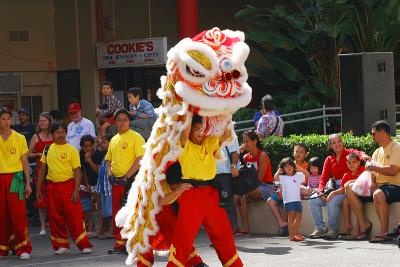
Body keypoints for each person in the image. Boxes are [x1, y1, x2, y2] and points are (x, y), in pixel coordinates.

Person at [167, 114, 243, 267]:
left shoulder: (209, 142)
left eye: (202, 129)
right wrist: (190, 102)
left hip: (211, 193)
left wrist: (227, 114)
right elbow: (186, 130)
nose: (200, 132)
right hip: (192, 193)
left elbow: (227, 135)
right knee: (184, 238)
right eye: (196, 129)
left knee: (224, 234)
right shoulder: (184, 144)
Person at [36, 122, 92, 255]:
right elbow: (42, 170)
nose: (60, 134)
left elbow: (77, 171)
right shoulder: (47, 149)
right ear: (53, 135)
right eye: (57, 132)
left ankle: (83, 244)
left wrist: (76, 190)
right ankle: (61, 245)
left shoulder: (72, 150)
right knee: (55, 217)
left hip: (68, 185)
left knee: (75, 216)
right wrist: (38, 189)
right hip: (52, 187)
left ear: (66, 133)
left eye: (62, 132)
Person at [138, 162, 207, 267]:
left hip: (166, 203)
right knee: (146, 239)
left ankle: (195, 262)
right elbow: (159, 201)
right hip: (148, 206)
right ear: (172, 185)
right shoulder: (155, 181)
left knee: (178, 233)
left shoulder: (178, 172)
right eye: (178, 186)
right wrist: (178, 191)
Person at [346, 120, 400, 242]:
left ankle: (384, 233)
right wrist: (373, 183)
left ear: (382, 133)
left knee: (378, 194)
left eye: (373, 133)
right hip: (380, 187)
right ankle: (364, 225)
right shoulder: (377, 151)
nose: (372, 136)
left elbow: (393, 170)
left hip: (395, 186)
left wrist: (373, 168)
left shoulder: (397, 147)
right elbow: (373, 173)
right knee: (349, 187)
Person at [309, 134, 369, 239]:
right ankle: (320, 228)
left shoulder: (349, 153)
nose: (337, 144)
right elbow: (323, 177)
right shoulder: (329, 159)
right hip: (333, 187)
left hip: (346, 188)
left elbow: (358, 153)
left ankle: (333, 229)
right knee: (313, 199)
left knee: (332, 199)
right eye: (334, 142)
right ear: (330, 146)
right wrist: (321, 191)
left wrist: (364, 156)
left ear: (342, 142)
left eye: (339, 141)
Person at [105, 108, 145, 254]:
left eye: (125, 120)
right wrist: (110, 174)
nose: (122, 123)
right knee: (118, 213)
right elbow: (108, 159)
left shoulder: (136, 137)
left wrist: (127, 177)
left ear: (129, 121)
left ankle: (134, 244)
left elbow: (140, 158)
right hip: (116, 182)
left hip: (131, 181)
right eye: (119, 120)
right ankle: (120, 244)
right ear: (115, 122)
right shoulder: (114, 139)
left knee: (132, 212)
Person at [0, 106, 32, 260]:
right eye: (3, 119)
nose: (6, 122)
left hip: (16, 178)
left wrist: (28, 183)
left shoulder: (19, 137)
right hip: (0, 178)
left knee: (18, 214)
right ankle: (3, 248)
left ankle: (23, 247)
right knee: (2, 215)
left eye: (8, 119)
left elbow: (24, 161)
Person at [236, 130, 273, 236]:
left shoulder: (263, 156)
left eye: (247, 141)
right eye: (243, 141)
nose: (244, 144)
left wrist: (244, 188)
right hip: (253, 188)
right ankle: (245, 228)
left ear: (255, 141)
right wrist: (238, 153)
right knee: (240, 198)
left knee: (242, 194)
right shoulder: (245, 157)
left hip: (265, 187)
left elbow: (259, 179)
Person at [28, 112, 54, 236]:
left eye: (44, 120)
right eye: (40, 121)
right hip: (40, 170)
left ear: (49, 122)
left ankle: (54, 223)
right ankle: (43, 226)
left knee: (54, 198)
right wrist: (38, 154)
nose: (42, 123)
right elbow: (28, 154)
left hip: (55, 169)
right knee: (41, 198)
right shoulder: (35, 137)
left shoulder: (55, 134)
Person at [332, 153, 364, 240]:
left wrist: (350, 182)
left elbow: (364, 180)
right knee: (345, 201)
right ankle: (348, 224)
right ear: (347, 164)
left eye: (354, 162)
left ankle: (359, 229)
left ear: (359, 163)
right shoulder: (346, 174)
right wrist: (333, 193)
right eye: (349, 163)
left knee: (353, 202)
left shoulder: (362, 170)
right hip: (352, 197)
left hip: (362, 195)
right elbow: (343, 189)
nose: (351, 165)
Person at [274, 157, 307, 241]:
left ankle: (296, 233)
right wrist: (278, 171)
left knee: (299, 217)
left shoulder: (297, 175)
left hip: (297, 200)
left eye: (290, 166)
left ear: (293, 166)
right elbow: (275, 178)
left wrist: (298, 168)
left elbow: (307, 174)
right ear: (283, 169)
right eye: (286, 166)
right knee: (291, 217)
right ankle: (292, 235)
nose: (289, 168)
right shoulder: (283, 178)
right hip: (288, 201)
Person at [79, 135, 104, 237]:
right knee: (94, 205)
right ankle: (95, 227)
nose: (87, 148)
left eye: (89, 146)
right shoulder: (81, 154)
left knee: (100, 205)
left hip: (99, 182)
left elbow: (98, 171)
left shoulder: (98, 154)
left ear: (93, 145)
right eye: (85, 146)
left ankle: (100, 228)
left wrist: (89, 160)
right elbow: (84, 170)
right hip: (91, 182)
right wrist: (87, 183)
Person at [215, 136, 240, 231]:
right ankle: (219, 236)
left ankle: (228, 235)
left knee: (227, 205)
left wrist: (233, 166)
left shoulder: (229, 132)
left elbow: (235, 151)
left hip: (225, 174)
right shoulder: (209, 131)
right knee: (215, 207)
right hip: (210, 175)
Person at [95, 134, 114, 239]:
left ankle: (111, 231)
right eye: (101, 143)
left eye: (104, 143)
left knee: (110, 211)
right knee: (105, 210)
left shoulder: (113, 155)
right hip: (103, 187)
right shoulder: (104, 156)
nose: (101, 145)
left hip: (109, 187)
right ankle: (105, 229)